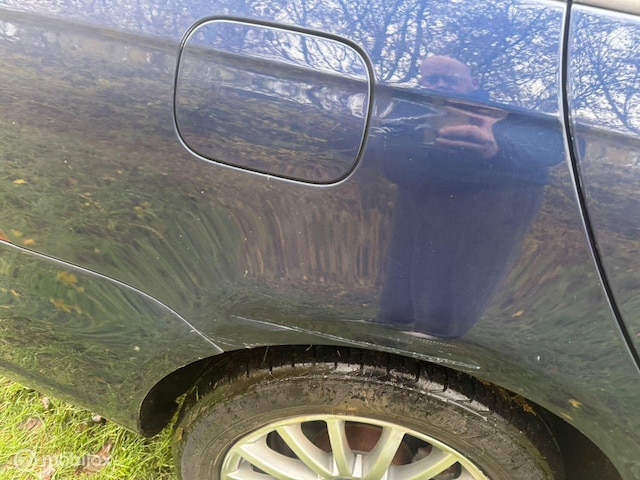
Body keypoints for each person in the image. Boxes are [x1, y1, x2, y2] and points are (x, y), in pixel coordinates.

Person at [374, 55, 563, 338]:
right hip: (421, 189)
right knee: (405, 263)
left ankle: (437, 336)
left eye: (451, 80)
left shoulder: (502, 110)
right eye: (432, 79)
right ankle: (391, 324)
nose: (440, 85)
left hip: (493, 195)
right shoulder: (408, 105)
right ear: (421, 80)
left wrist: (499, 146)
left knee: (464, 271)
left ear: (474, 83)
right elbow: (387, 152)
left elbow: (559, 147)